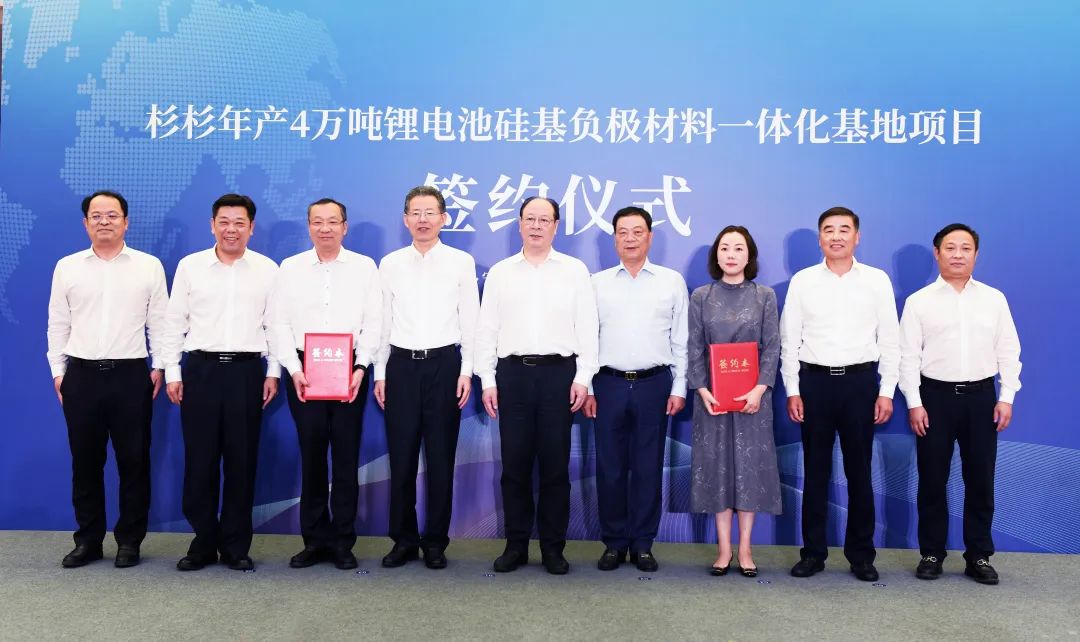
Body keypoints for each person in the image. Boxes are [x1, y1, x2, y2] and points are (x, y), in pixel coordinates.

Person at [476, 196, 599, 575]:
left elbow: (587, 327)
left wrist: (583, 378)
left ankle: (552, 547)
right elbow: (487, 329)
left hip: (558, 376)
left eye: (544, 220)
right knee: (514, 466)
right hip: (512, 375)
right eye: (530, 219)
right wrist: (487, 379)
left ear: (556, 226)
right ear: (519, 224)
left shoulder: (574, 271)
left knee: (555, 467)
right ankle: (516, 545)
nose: (536, 226)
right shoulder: (501, 272)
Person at [46, 190, 168, 568]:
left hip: (130, 375)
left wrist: (159, 367)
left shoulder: (148, 266)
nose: (104, 221)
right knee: (85, 463)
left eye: (112, 215)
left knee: (134, 462)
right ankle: (88, 540)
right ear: (86, 223)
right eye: (96, 216)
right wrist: (59, 372)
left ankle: (130, 541)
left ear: (126, 222)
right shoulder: (67, 267)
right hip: (81, 375)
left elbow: (160, 323)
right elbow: (58, 324)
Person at [780, 206, 899, 582]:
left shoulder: (876, 280)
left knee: (859, 472)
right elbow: (789, 340)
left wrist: (886, 391)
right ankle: (813, 553)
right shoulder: (803, 281)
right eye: (829, 230)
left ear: (857, 237)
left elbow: (891, 340)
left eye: (844, 229)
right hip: (814, 384)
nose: (836, 236)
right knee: (815, 472)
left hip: (860, 384)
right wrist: (793, 390)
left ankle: (861, 555)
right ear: (820, 239)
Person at [162, 194, 279, 572]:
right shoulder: (191, 266)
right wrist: (173, 371)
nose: (231, 229)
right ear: (212, 225)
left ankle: (235, 545)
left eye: (239, 223)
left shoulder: (267, 270)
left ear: (251, 228)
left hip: (247, 373)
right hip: (201, 371)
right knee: (200, 460)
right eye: (224, 222)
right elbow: (174, 323)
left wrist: (273, 372)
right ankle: (202, 541)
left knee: (242, 461)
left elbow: (276, 325)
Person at [899, 223, 1021, 585]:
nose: (957, 255)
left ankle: (979, 555)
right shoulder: (919, 302)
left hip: (982, 399)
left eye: (965, 248)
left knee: (980, 479)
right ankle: (931, 553)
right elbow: (908, 357)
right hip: (934, 399)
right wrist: (914, 403)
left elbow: (1008, 350)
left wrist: (1006, 397)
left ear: (976, 255)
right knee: (932, 479)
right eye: (950, 248)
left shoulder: (994, 299)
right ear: (937, 254)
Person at [373, 186, 480, 570]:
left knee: (440, 459)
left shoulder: (460, 262)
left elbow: (470, 320)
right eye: (415, 213)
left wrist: (466, 370)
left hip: (444, 366)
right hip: (401, 366)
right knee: (401, 459)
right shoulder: (390, 264)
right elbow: (382, 322)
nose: (423, 219)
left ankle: (435, 541)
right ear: (405, 219)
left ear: (443, 218)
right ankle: (403, 540)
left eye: (430, 212)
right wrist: (380, 372)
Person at [272, 198, 381, 570]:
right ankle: (315, 539)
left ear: (344, 227)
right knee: (313, 456)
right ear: (309, 227)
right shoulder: (290, 268)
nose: (325, 228)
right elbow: (279, 323)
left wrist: (361, 367)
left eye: (333, 221)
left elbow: (374, 322)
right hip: (305, 371)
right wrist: (293, 368)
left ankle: (343, 542)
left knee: (346, 458)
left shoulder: (365, 268)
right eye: (317, 222)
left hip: (350, 371)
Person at [583, 206, 687, 573]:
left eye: (637, 232)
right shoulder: (596, 283)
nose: (630, 239)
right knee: (610, 468)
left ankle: (643, 543)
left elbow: (681, 339)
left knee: (647, 467)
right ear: (614, 239)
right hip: (607, 384)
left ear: (650, 237)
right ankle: (614, 543)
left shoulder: (671, 281)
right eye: (623, 232)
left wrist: (680, 386)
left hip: (654, 384)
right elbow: (586, 339)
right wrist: (587, 386)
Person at [688, 226, 781, 577]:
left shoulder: (764, 296)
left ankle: (745, 549)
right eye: (725, 248)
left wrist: (760, 389)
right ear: (716, 255)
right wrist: (702, 389)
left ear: (749, 255)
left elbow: (772, 346)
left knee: (748, 469)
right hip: (712, 398)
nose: (731, 254)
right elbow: (694, 346)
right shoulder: (701, 296)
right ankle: (724, 549)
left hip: (753, 399)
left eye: (738, 248)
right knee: (718, 469)